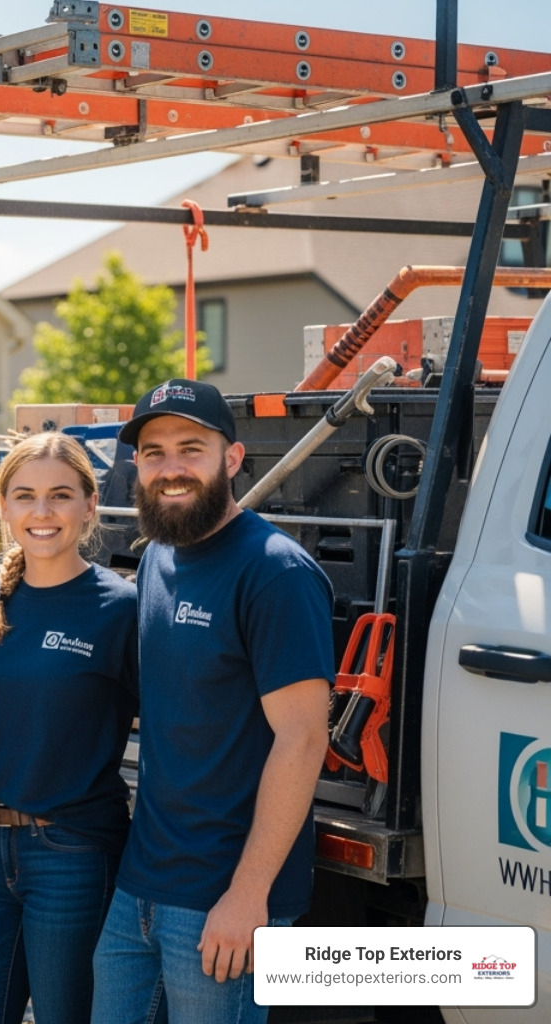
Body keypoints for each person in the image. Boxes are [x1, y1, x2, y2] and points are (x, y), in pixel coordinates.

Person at [91, 379, 334, 1024]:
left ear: (231, 458)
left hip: (225, 897)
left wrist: (248, 894)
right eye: (153, 452)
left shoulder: (274, 573)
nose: (171, 469)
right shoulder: (158, 561)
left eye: (190, 448)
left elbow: (304, 739)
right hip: (142, 883)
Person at [0, 432, 138, 1024]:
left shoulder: (118, 607)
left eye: (60, 495)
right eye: (24, 496)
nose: (42, 512)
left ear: (89, 503)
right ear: (4, 507)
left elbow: (170, 729)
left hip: (72, 850)